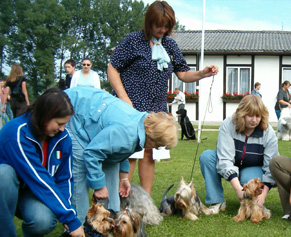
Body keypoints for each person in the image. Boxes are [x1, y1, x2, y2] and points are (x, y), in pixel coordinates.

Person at [107, 0, 218, 195]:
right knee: (130, 153)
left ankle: (145, 202)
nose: (162, 29)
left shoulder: (170, 45)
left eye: (167, 26)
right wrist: (124, 98)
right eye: (159, 25)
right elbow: (112, 67)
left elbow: (183, 73)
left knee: (149, 152)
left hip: (155, 109)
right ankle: (121, 200)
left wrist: (202, 73)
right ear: (149, 21)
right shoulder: (133, 40)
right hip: (130, 107)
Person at [0, 89, 85, 237]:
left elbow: (64, 179)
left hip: (31, 190)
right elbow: (39, 179)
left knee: (43, 221)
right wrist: (70, 219)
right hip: (7, 188)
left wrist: (69, 213)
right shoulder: (16, 133)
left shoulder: (63, 138)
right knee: (4, 174)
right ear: (45, 116)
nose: (62, 129)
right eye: (59, 123)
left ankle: (32, 235)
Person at [65, 86, 178, 223]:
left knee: (111, 168)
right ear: (152, 138)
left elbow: (118, 152)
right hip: (74, 112)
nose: (159, 148)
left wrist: (123, 178)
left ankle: (112, 220)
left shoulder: (141, 127)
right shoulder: (126, 134)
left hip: (93, 113)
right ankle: (80, 226)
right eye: (159, 145)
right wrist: (99, 186)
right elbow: (91, 153)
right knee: (80, 170)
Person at [199, 95, 278, 214]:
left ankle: (255, 205)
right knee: (207, 157)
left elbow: (271, 166)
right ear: (241, 114)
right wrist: (238, 189)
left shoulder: (268, 132)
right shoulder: (228, 124)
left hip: (252, 167)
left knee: (248, 179)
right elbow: (225, 159)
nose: (254, 120)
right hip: (232, 161)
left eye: (258, 116)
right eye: (250, 115)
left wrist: (264, 193)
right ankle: (217, 201)